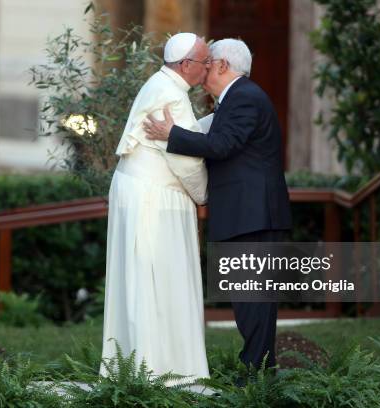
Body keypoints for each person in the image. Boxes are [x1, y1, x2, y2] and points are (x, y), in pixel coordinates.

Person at [144, 38, 292, 372]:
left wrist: (172, 134)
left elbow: (222, 145)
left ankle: (257, 380)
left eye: (208, 63)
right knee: (249, 306)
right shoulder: (234, 99)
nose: (203, 69)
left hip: (254, 219)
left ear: (223, 66)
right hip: (247, 217)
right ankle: (256, 375)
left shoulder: (244, 97)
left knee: (254, 306)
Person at [100, 33, 211, 380]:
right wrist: (205, 195)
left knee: (141, 281)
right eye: (205, 63)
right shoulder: (171, 95)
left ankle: (135, 366)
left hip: (140, 191)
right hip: (155, 197)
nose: (208, 69)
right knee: (156, 281)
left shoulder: (161, 85)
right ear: (186, 65)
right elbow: (187, 162)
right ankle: (158, 370)